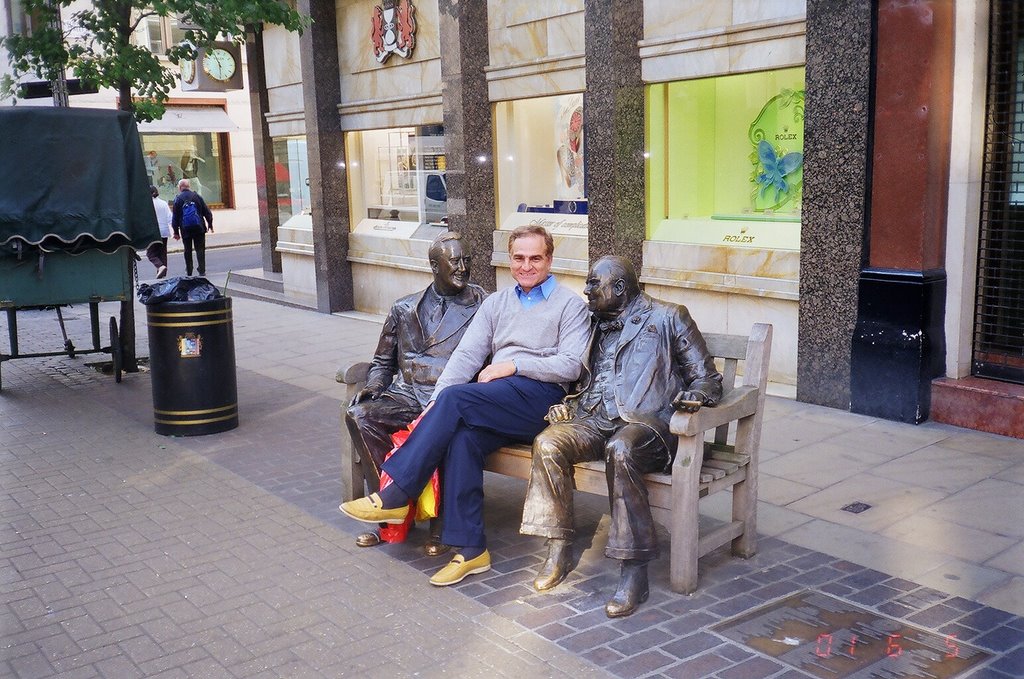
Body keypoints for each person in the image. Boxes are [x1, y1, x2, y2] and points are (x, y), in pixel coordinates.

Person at [340, 225, 591, 587]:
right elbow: (465, 357)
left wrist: (514, 365)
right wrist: (434, 405)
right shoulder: (497, 303)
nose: (526, 266)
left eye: (535, 258)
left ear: (550, 260)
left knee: (457, 400)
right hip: (497, 398)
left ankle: (396, 493)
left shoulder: (568, 305)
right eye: (519, 258)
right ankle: (472, 550)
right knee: (462, 440)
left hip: (540, 399)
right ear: (509, 260)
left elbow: (570, 364)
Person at [520, 255, 723, 618]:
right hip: (594, 419)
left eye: (592, 283)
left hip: (649, 425)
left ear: (619, 288)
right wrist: (569, 406)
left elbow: (707, 377)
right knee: (548, 442)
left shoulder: (668, 316)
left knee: (620, 448)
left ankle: (633, 571)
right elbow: (590, 381)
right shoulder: (594, 322)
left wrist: (696, 396)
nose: (585, 290)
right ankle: (558, 547)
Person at [345, 232, 487, 553]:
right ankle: (392, 515)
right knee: (360, 416)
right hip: (409, 394)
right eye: (455, 261)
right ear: (434, 266)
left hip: (451, 395)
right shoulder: (404, 308)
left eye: (467, 260)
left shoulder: (484, 304)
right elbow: (382, 361)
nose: (463, 268)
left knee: (451, 426)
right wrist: (374, 386)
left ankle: (442, 521)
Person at [171, 178, 213, 276]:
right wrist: (210, 224)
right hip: (199, 228)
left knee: (187, 250)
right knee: (200, 249)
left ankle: (189, 270)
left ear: (180, 187)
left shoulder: (178, 199)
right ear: (189, 186)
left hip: (185, 229)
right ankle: (202, 270)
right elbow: (207, 212)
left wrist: (176, 232)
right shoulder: (197, 196)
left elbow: (175, 218)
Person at [146, 185, 172, 278]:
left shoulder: (147, 204)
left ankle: (160, 266)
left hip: (153, 232)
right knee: (162, 253)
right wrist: (175, 229)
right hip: (164, 231)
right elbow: (170, 217)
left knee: (150, 253)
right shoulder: (163, 203)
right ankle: (162, 274)